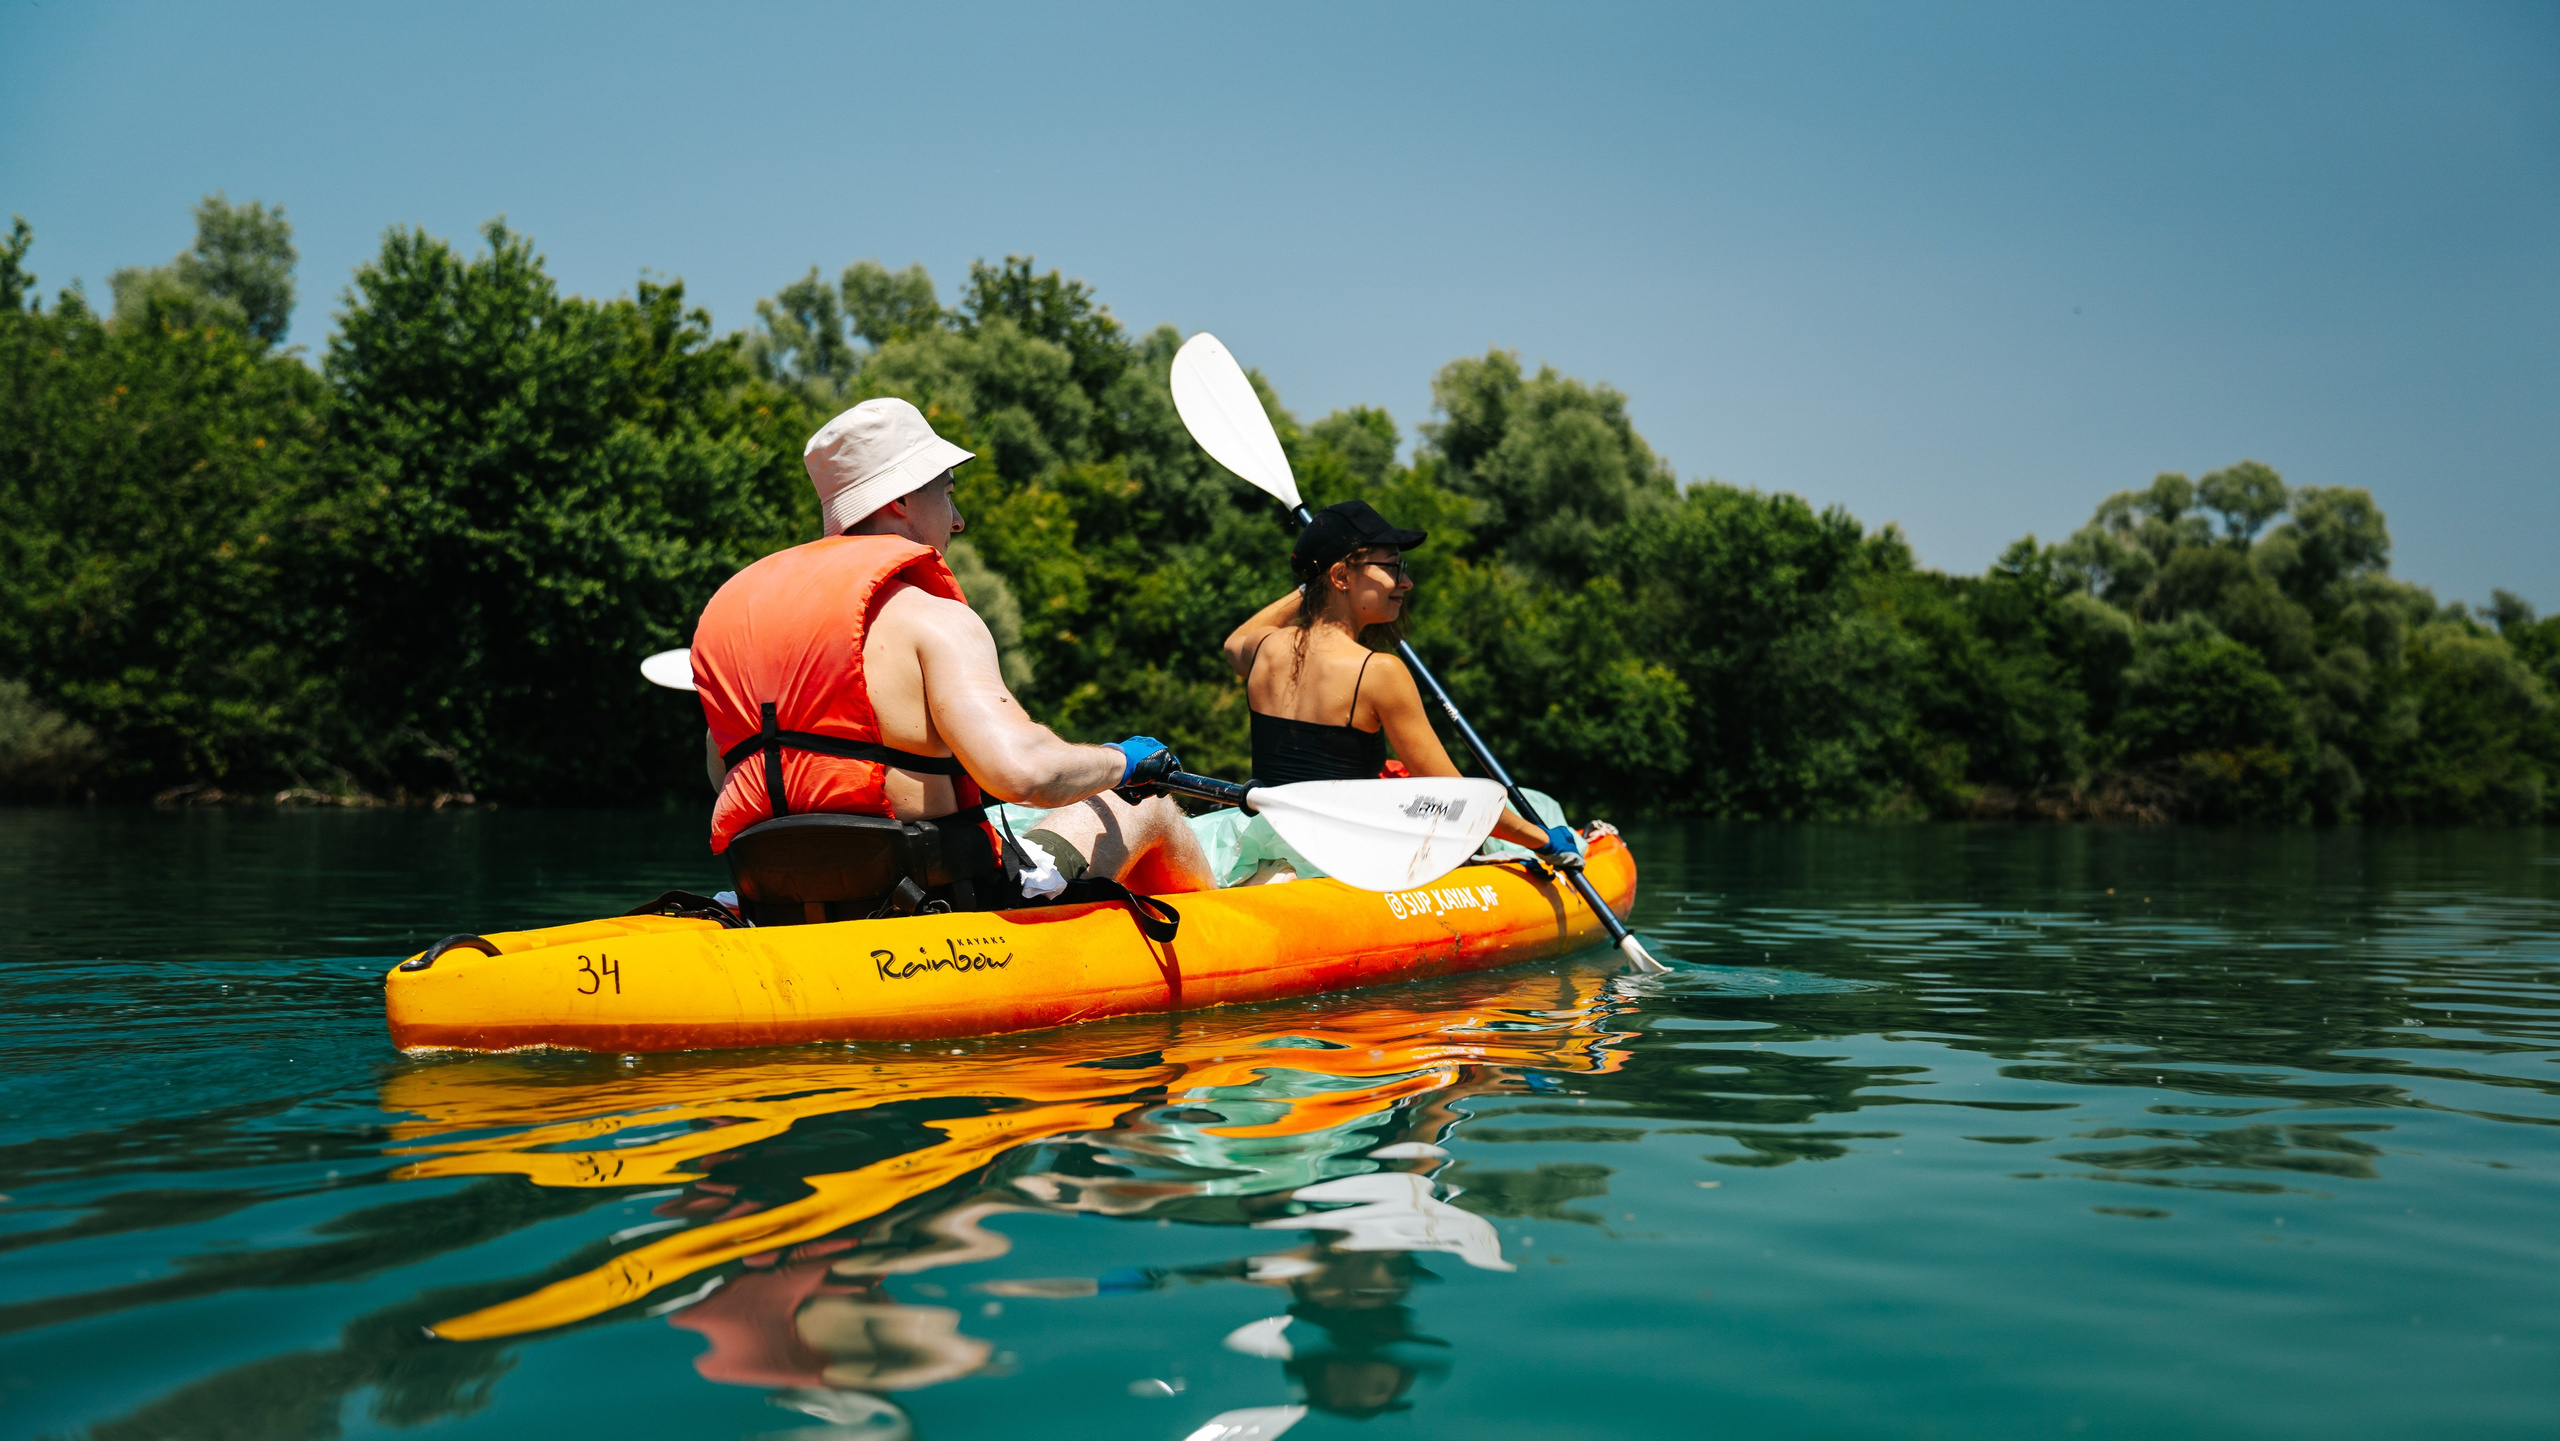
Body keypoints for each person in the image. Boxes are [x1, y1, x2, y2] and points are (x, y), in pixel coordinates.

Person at [691, 397, 1211, 918]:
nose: (957, 521)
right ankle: (1222, 931)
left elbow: (724, 779)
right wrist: (1124, 762)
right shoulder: (930, 618)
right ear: (898, 502)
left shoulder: (745, 627)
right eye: (946, 493)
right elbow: (1024, 774)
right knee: (1150, 808)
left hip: (778, 901)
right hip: (933, 904)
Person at [1220, 499, 1579, 863]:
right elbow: (1454, 796)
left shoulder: (1263, 647)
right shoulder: (1379, 671)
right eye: (1393, 567)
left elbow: (1234, 642)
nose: (1405, 582)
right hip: (1338, 856)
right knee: (1536, 810)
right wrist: (1542, 840)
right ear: (1342, 576)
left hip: (1264, 838)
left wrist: (1311, 588)